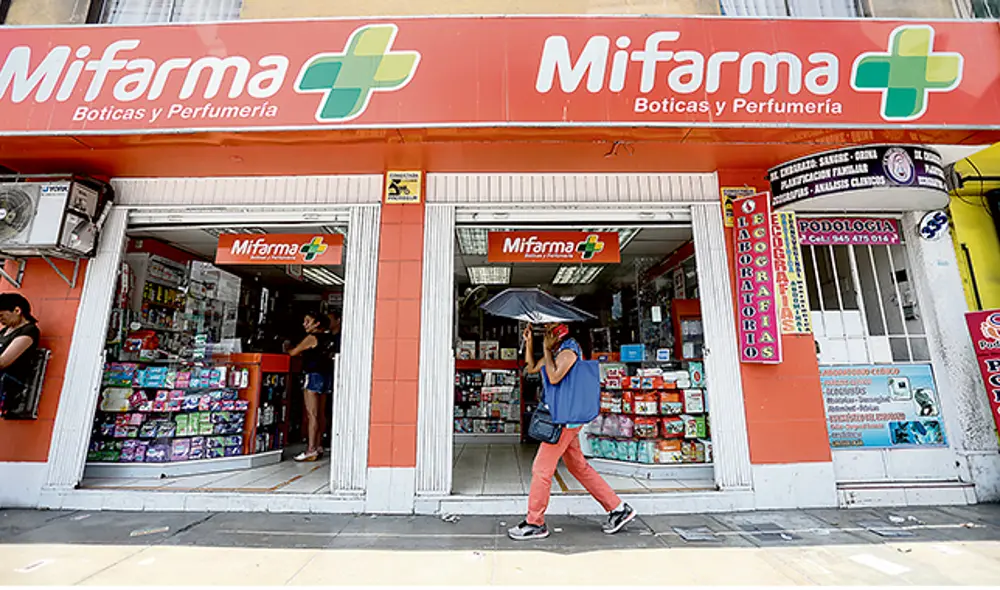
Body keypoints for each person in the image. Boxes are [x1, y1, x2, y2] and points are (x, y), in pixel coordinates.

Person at [507, 322, 636, 540]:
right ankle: (618, 508)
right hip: (563, 417)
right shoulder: (558, 350)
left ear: (560, 329)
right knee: (578, 467)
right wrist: (530, 343)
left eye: (549, 327)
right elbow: (531, 368)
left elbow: (555, 376)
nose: (545, 330)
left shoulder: (569, 349)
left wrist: (547, 349)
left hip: (565, 419)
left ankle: (535, 522)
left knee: (541, 468)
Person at [287, 311, 335, 462]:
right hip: (326, 376)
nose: (304, 324)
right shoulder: (329, 338)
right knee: (321, 413)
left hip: (313, 376)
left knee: (311, 414)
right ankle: (319, 445)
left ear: (317, 324)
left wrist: (287, 346)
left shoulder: (312, 338)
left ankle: (311, 449)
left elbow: (294, 353)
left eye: (308, 321)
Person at [0, 293, 40, 416]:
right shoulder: (4, 331)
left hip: (11, 382)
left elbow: (3, 362)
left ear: (17, 310)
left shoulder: (29, 331)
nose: (0, 320)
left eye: (1, 315)